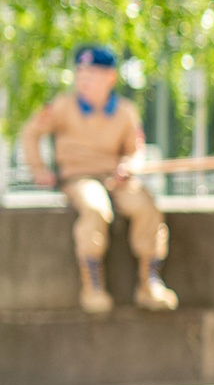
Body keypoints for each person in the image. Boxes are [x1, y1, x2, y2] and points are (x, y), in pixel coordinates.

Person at [16, 44, 179, 315]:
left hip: (116, 178)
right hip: (78, 177)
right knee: (95, 209)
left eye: (92, 73)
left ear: (110, 77)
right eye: (81, 73)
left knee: (147, 208)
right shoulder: (62, 106)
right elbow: (30, 133)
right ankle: (92, 286)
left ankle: (149, 283)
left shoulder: (125, 111)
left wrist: (129, 165)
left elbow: (135, 149)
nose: (84, 79)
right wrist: (39, 168)